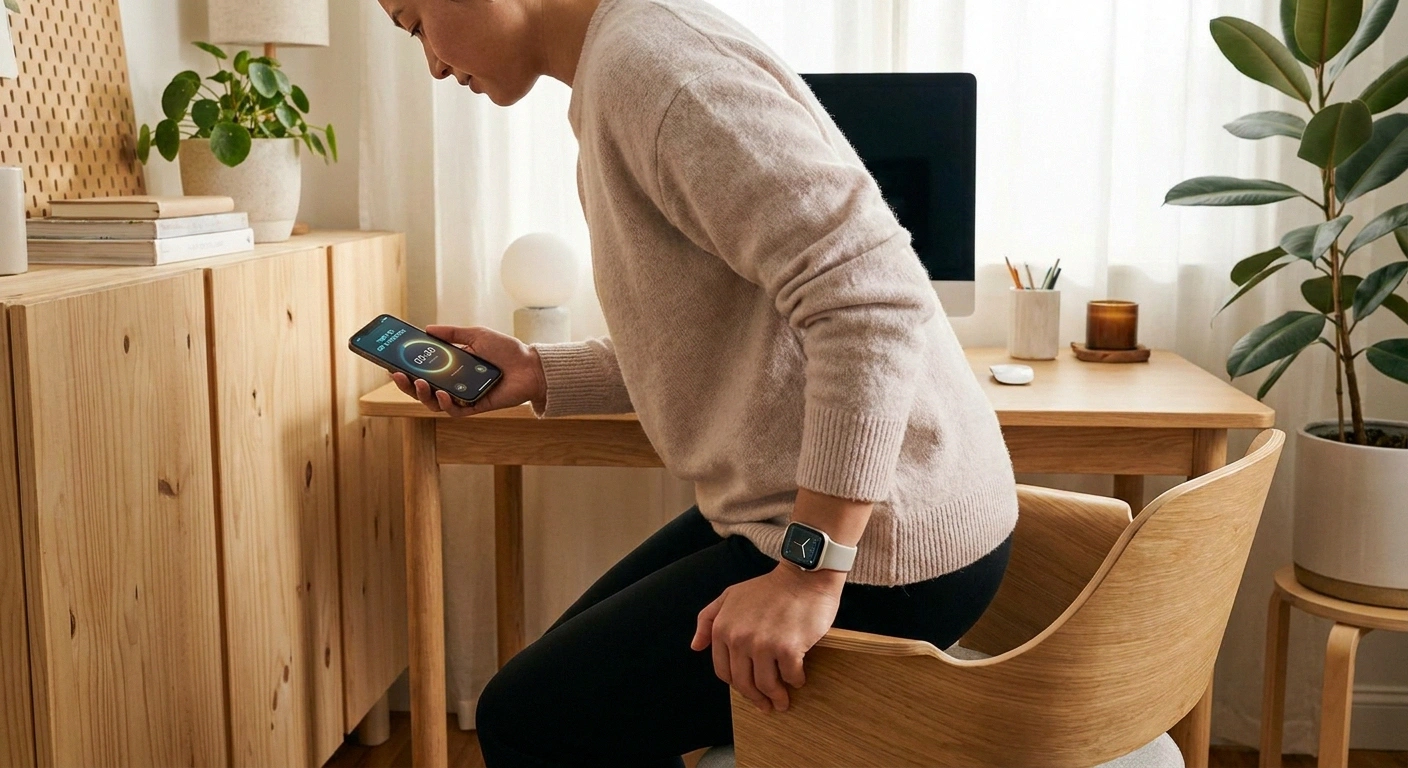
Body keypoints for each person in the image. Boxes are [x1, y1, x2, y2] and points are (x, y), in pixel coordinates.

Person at [379, 0, 1018, 765]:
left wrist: (810, 575)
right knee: (548, 703)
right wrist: (539, 370)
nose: (434, 64)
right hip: (845, 514)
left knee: (532, 719)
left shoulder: (656, 69)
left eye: (415, 22)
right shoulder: (623, 64)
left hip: (883, 544)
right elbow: (714, 330)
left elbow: (872, 293)